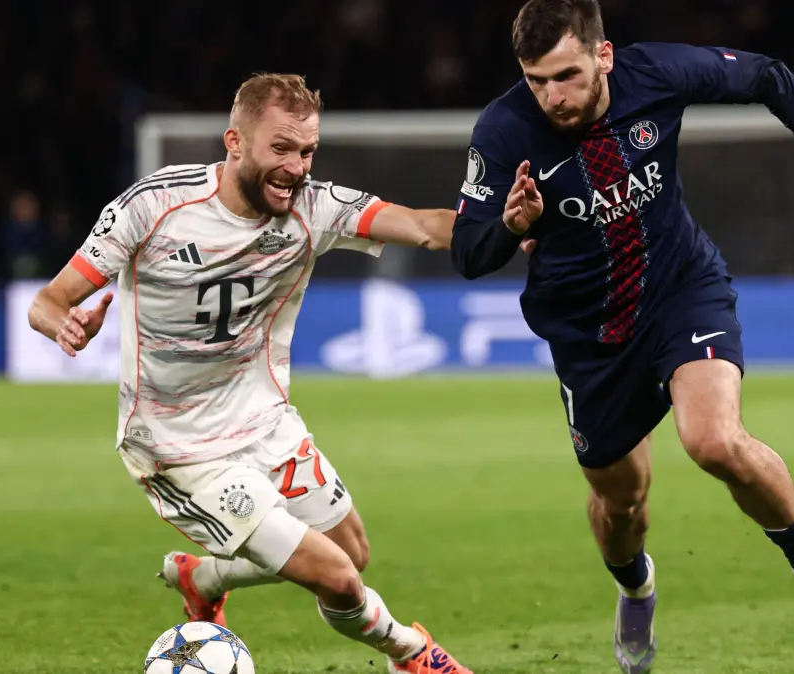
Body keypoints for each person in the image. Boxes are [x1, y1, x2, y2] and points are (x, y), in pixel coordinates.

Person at [450, 1, 794, 671]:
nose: (552, 96)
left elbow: (768, 76)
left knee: (713, 440)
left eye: (566, 75)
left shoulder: (658, 74)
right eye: (536, 79)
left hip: (678, 289)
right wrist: (510, 224)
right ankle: (637, 589)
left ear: (602, 56)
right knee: (621, 503)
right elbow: (468, 253)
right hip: (590, 334)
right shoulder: (503, 131)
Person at [28, 73, 472, 674]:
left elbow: (425, 226)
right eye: (281, 149)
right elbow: (49, 301)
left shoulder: (316, 207)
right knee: (338, 580)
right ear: (234, 141)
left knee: (353, 553)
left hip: (266, 423)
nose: (296, 167)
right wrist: (66, 325)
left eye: (308, 151)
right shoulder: (153, 207)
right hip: (179, 447)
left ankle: (203, 576)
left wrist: (512, 226)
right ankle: (411, 653)